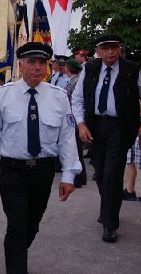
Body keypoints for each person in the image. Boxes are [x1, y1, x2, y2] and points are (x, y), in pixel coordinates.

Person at [0, 42, 81, 274]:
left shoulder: (59, 97)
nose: (37, 67)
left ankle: (16, 251)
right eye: (31, 62)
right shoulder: (4, 94)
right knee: (17, 224)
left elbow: (67, 139)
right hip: (13, 170)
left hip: (43, 171)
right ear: (21, 65)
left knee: (31, 225)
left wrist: (68, 176)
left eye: (42, 62)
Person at [71, 34, 141, 243]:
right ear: (98, 51)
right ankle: (107, 206)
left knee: (112, 172)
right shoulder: (90, 69)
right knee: (100, 172)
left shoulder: (133, 69)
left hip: (121, 127)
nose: (110, 52)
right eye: (105, 48)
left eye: (114, 47)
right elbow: (78, 98)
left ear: (119, 49)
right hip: (96, 127)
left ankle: (110, 224)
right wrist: (81, 124)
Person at [64, 58, 87, 188]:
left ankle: (79, 178)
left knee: (76, 149)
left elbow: (74, 101)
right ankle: (81, 177)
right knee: (76, 149)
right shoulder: (74, 80)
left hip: (74, 119)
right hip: (73, 118)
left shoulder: (76, 81)